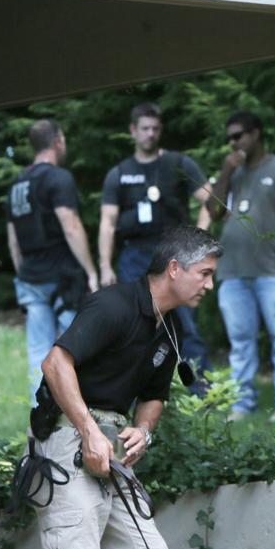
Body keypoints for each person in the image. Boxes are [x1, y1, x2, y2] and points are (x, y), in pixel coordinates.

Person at [10, 226, 224, 549]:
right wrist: (88, 431)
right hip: (68, 437)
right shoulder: (112, 305)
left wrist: (143, 433)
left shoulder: (168, 328)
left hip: (111, 444)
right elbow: (54, 361)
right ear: (175, 268)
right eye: (205, 274)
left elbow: (153, 396)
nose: (209, 285)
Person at [207, 110, 275, 423]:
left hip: (272, 272)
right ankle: (242, 405)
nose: (233, 142)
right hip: (232, 273)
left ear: (256, 134)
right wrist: (226, 172)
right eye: (229, 137)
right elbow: (214, 211)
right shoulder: (233, 173)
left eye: (238, 135)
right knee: (240, 343)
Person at [98, 103, 212, 372]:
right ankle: (135, 393)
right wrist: (104, 266)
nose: (150, 133)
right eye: (145, 128)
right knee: (134, 325)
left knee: (185, 324)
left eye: (155, 129)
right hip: (134, 256)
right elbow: (108, 222)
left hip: (175, 253)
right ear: (133, 130)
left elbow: (210, 201)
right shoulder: (119, 173)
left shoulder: (178, 164)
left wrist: (200, 243)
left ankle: (203, 396)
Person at [6, 118, 99, 402]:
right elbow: (70, 225)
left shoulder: (17, 185)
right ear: (58, 141)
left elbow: (13, 238)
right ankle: (79, 412)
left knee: (39, 351)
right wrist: (91, 272)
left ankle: (41, 415)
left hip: (31, 278)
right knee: (74, 349)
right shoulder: (58, 178)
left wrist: (23, 272)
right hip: (63, 279)